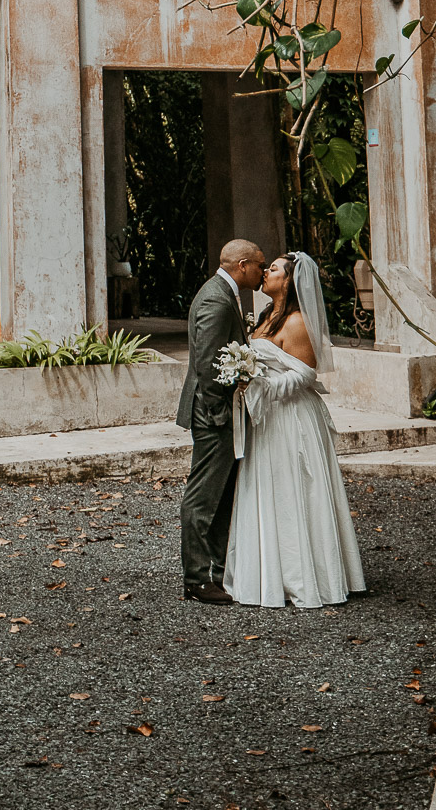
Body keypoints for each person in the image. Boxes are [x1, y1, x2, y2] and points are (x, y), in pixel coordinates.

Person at [224, 251, 365, 609]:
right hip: (267, 417)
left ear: (289, 280)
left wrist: (260, 384)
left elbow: (304, 375)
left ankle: (304, 577)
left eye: (273, 269)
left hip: (291, 418)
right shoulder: (265, 317)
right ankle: (266, 575)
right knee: (268, 488)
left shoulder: (299, 322)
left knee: (294, 491)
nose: (266, 272)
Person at [177, 238, 266, 603]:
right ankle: (196, 579)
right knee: (202, 496)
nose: (262, 272)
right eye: (260, 265)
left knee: (221, 494)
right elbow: (210, 364)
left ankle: (218, 571)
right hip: (213, 413)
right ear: (243, 265)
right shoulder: (216, 298)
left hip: (220, 412)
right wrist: (217, 412)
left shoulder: (223, 292)